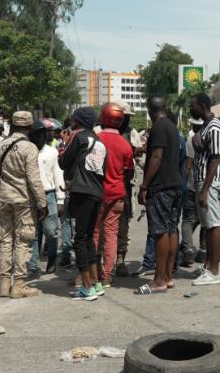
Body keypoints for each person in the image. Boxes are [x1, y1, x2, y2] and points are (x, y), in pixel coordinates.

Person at [0, 111, 48, 299]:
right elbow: (33, 178)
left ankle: (4, 284)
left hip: (4, 199)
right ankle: (19, 285)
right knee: (23, 240)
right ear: (29, 127)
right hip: (24, 201)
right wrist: (42, 202)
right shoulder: (29, 148)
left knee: (5, 240)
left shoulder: (0, 146)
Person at [59, 107, 107, 301]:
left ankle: (86, 287)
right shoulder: (99, 141)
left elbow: (63, 161)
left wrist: (63, 143)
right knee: (88, 238)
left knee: (79, 239)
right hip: (96, 192)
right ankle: (96, 283)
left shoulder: (77, 136)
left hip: (81, 192)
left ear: (78, 121)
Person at [136, 96, 180, 294]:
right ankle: (168, 277)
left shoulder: (159, 127)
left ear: (150, 110)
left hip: (161, 187)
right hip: (175, 185)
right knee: (171, 230)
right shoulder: (172, 126)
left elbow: (156, 156)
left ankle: (159, 279)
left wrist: (144, 185)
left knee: (160, 231)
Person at [92, 104, 134, 288]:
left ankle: (92, 273)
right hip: (117, 195)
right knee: (111, 235)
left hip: (97, 194)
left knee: (94, 234)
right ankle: (107, 276)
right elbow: (129, 173)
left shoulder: (96, 140)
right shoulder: (125, 145)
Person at [189, 93, 220, 286]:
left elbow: (216, 159)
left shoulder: (214, 127)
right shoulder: (205, 126)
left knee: (213, 224)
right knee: (207, 224)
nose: (191, 108)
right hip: (201, 180)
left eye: (193, 105)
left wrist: (205, 189)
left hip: (207, 181)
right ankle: (208, 265)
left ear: (202, 106)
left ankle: (214, 271)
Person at [27, 120, 65, 277]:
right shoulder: (27, 151)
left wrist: (60, 199)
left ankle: (51, 258)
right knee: (32, 233)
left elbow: (58, 176)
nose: (40, 137)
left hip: (48, 194)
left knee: (50, 231)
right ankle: (33, 264)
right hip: (29, 196)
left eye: (43, 134)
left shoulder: (51, 152)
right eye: (37, 134)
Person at [114, 101, 143, 277]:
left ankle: (120, 260)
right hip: (105, 186)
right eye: (123, 117)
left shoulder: (131, 133)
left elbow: (141, 160)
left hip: (126, 186)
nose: (125, 121)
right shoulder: (99, 133)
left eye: (127, 118)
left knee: (124, 224)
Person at [180, 118, 205, 267]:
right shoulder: (210, 139)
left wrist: (183, 183)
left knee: (188, 219)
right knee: (205, 221)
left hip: (191, 186)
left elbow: (187, 166)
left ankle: (188, 249)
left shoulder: (190, 141)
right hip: (206, 185)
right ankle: (203, 251)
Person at [57, 117, 74, 268]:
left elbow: (63, 162)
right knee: (66, 222)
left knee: (70, 222)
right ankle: (66, 254)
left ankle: (68, 253)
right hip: (66, 188)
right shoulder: (59, 145)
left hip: (76, 188)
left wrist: (65, 144)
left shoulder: (76, 143)